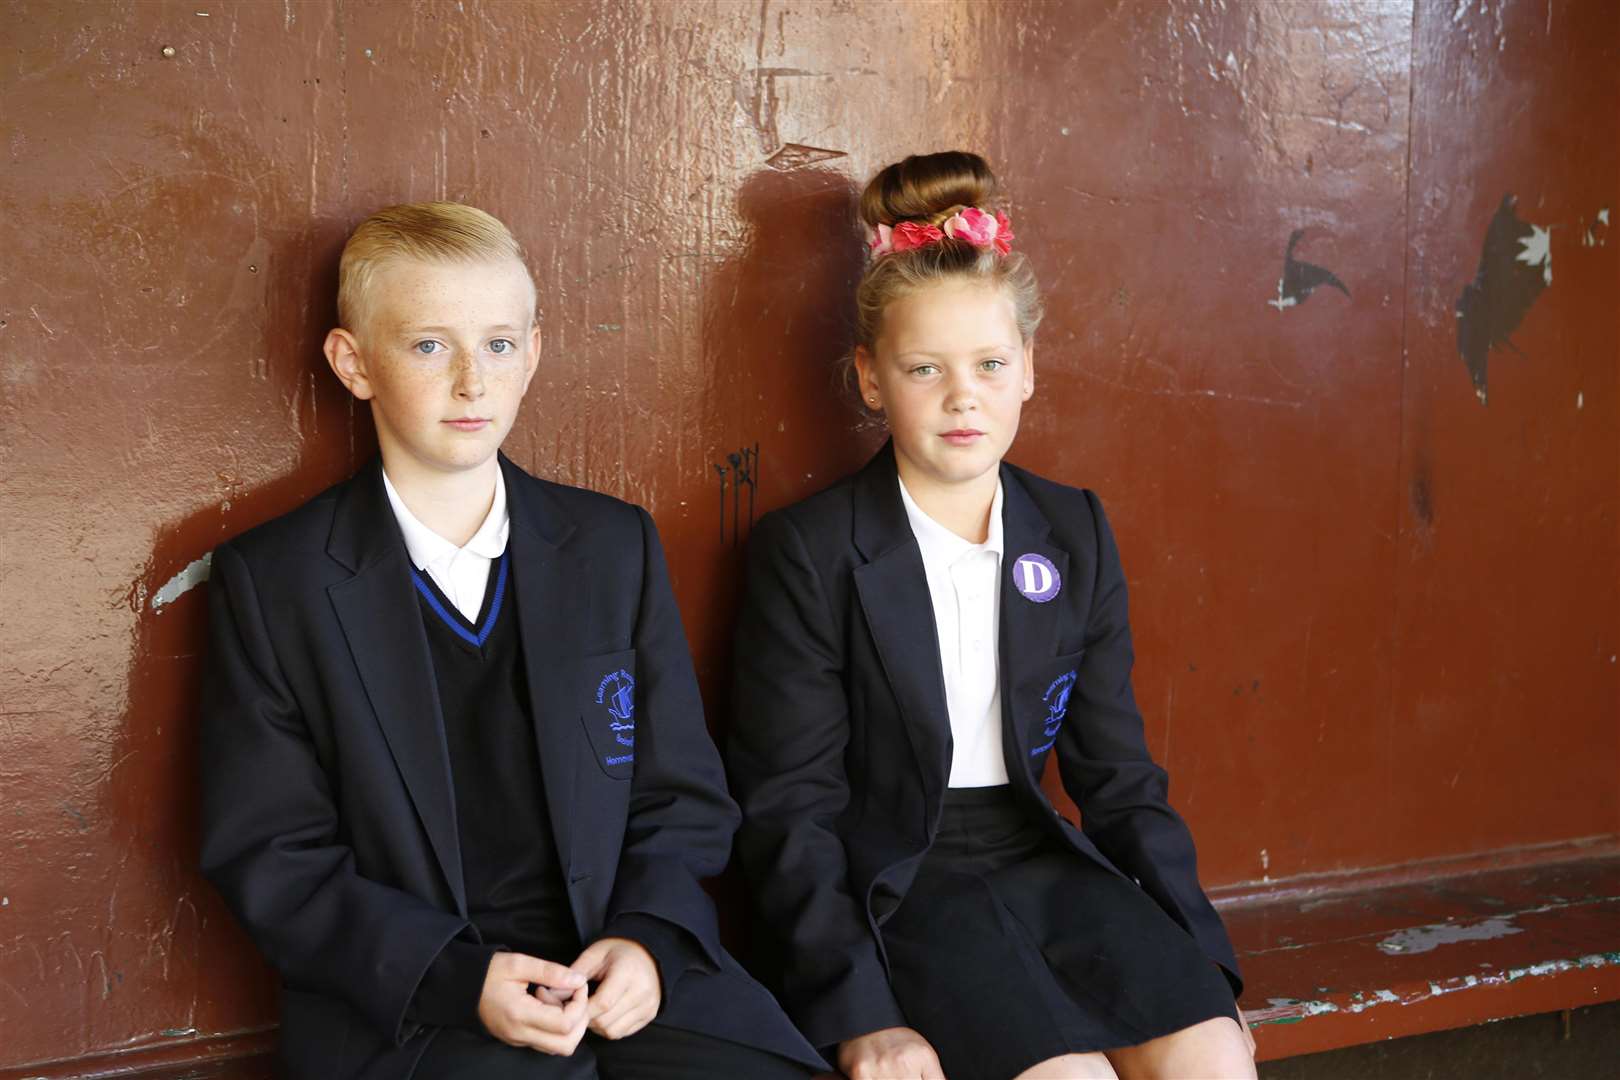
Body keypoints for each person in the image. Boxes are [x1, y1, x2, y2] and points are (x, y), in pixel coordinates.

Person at [198, 201, 823, 1079]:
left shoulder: (611, 546)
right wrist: (458, 980)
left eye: (497, 345)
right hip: (418, 1008)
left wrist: (646, 938)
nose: (471, 381)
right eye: (428, 346)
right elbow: (272, 856)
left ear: (532, 355)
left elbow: (681, 793)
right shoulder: (279, 582)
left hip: (620, 973)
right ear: (353, 364)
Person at [728, 153, 1256, 1080]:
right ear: (868, 379)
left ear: (1028, 373)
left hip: (1038, 859)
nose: (962, 395)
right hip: (895, 887)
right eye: (923, 368)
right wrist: (861, 1013)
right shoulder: (810, 552)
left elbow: (1119, 775)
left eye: (989, 364)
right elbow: (791, 813)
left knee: (1212, 1059)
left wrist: (1204, 965)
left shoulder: (1071, 529)